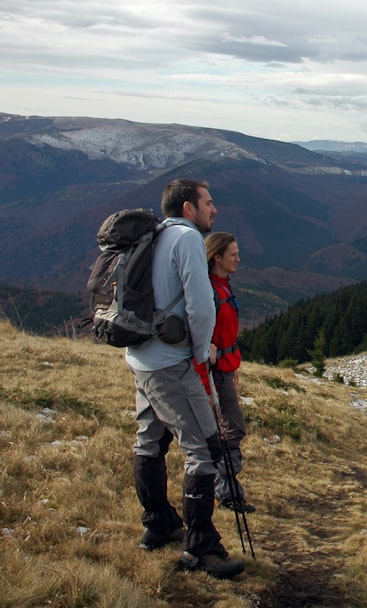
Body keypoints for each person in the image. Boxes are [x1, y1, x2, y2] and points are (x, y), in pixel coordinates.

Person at [127, 179, 244, 579]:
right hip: (172, 363)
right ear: (188, 208)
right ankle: (201, 547)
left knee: (149, 440)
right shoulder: (188, 240)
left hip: (142, 358)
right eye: (209, 203)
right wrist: (200, 356)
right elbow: (199, 304)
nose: (215, 210)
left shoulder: (154, 235)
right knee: (205, 449)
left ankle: (157, 523)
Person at [197, 232, 254, 514]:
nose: (238, 258)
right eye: (233, 254)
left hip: (224, 370)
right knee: (231, 428)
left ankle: (226, 488)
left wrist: (234, 367)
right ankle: (226, 490)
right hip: (216, 372)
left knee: (229, 428)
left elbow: (227, 336)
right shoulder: (211, 291)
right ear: (217, 257)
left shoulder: (221, 286)